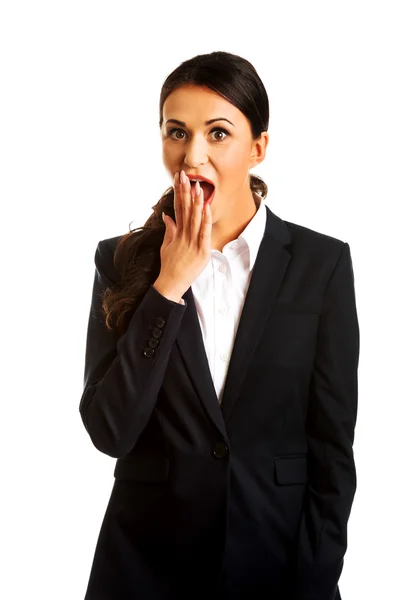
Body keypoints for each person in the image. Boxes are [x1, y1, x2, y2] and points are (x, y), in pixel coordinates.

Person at [79, 51, 359, 600]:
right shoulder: (120, 262)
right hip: (144, 570)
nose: (193, 155)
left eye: (218, 133)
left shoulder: (320, 264)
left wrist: (315, 579)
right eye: (177, 132)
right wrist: (168, 288)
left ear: (259, 148)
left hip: (276, 567)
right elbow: (110, 431)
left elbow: (332, 453)